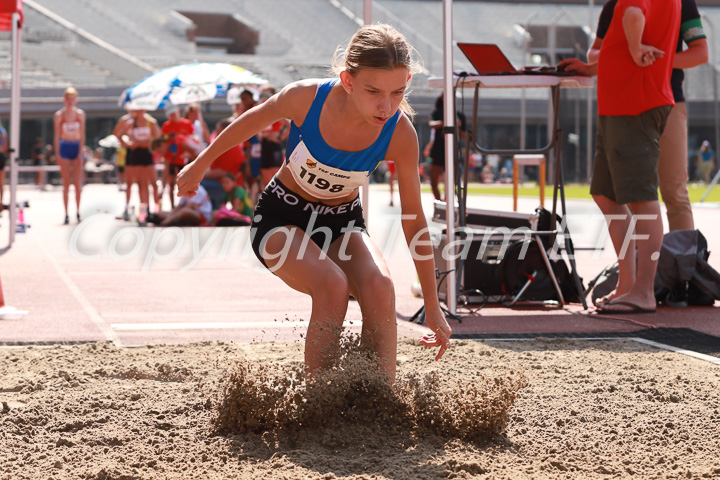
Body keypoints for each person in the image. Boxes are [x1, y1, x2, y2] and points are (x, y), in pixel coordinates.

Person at [177, 24, 452, 381]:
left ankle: (379, 396)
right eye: (373, 92)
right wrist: (200, 164)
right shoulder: (306, 98)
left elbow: (413, 221)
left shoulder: (399, 133)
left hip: (341, 222)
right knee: (332, 285)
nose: (386, 106)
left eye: (398, 92)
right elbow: (250, 121)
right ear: (348, 80)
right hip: (281, 219)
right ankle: (319, 396)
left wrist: (432, 305)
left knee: (380, 288)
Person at [559, 0, 680, 314]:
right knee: (605, 193)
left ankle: (643, 291)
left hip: (634, 102)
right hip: (620, 103)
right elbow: (621, 38)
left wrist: (637, 47)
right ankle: (628, 285)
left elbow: (633, 13)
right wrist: (593, 67)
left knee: (640, 197)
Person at [586, 0, 707, 232]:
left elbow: (701, 53)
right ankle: (637, 263)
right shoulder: (615, 4)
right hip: (626, 108)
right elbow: (594, 53)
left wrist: (655, 59)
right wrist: (629, 54)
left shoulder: (682, 3)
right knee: (629, 194)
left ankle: (684, 264)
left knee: (675, 192)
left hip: (668, 104)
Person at [113, 109, 162, 218]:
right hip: (134, 154)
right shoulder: (130, 122)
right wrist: (129, 144)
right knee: (140, 183)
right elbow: (118, 134)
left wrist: (148, 143)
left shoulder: (151, 122)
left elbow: (158, 138)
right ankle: (143, 211)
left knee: (153, 182)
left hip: (147, 154)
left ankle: (156, 209)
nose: (138, 111)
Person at [53, 87, 86, 224]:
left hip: (76, 147)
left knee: (77, 184)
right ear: (64, 100)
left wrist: (80, 152)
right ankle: (66, 213)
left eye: (73, 99)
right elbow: (56, 136)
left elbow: (82, 134)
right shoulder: (59, 115)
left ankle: (77, 212)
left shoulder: (80, 114)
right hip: (65, 147)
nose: (70, 102)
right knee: (66, 183)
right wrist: (57, 154)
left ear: (76, 100)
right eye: (68, 99)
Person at [428, 93, 466, 201]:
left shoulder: (459, 115)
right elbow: (431, 124)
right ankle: (439, 202)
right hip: (438, 149)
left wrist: (456, 127)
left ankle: (448, 202)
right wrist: (446, 123)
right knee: (433, 180)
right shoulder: (437, 112)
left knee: (452, 181)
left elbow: (466, 136)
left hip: (453, 149)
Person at [161, 104, 198, 208]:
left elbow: (192, 138)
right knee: (171, 182)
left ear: (178, 111)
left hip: (184, 159)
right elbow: (164, 141)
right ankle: (172, 206)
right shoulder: (166, 125)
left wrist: (188, 152)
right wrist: (164, 155)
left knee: (186, 182)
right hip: (171, 158)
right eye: (170, 115)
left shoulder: (186, 124)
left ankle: (186, 204)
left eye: (173, 113)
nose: (172, 116)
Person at [257, 85, 290, 190]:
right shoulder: (260, 111)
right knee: (265, 176)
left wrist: (280, 137)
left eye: (266, 95)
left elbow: (290, 125)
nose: (263, 97)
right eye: (261, 95)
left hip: (273, 145)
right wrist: (261, 135)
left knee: (276, 177)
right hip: (263, 146)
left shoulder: (277, 110)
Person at [0, 119, 6, 212]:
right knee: (1, 183)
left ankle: (1, 203)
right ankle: (1, 203)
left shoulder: (3, 131)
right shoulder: (3, 131)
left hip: (1, 156)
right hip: (1, 156)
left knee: (1, 183)